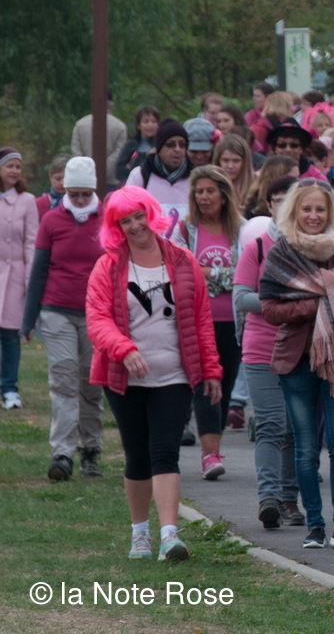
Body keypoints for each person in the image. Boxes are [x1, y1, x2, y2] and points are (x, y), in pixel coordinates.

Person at [85, 186, 223, 561]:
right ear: (115, 227)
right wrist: (124, 349)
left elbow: (201, 320)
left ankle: (169, 536)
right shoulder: (108, 266)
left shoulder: (182, 260)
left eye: (139, 216)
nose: (135, 226)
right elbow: (97, 320)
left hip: (174, 376)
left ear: (152, 214)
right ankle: (140, 535)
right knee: (137, 455)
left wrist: (210, 369)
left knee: (165, 451)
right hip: (124, 377)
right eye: (125, 221)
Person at [260, 179, 334, 551]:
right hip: (297, 361)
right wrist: (317, 303)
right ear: (294, 211)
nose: (313, 216)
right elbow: (270, 309)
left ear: (331, 213)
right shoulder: (282, 252)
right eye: (307, 209)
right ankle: (314, 525)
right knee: (306, 448)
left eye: (320, 210)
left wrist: (332, 296)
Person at [21, 156, 103, 477]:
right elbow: (39, 271)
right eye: (73, 194)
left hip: (95, 311)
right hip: (56, 310)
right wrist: (28, 320)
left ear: (93, 190)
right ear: (65, 190)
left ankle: (91, 449)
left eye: (85, 194)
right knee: (64, 379)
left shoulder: (106, 219)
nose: (80, 200)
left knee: (90, 383)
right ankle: (62, 454)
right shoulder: (53, 221)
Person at [232, 175, 305, 530]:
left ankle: (290, 499)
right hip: (261, 348)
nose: (285, 207)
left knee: (295, 428)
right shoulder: (257, 248)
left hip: (303, 348)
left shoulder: (314, 247)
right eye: (278, 201)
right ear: (269, 206)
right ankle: (270, 499)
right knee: (271, 425)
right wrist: (283, 303)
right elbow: (241, 298)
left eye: (292, 201)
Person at [171, 166, 242, 480]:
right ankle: (209, 455)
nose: (204, 197)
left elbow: (246, 275)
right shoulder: (185, 231)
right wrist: (223, 277)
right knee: (204, 383)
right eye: (199, 191)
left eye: (210, 191)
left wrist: (209, 273)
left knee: (225, 387)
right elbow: (181, 271)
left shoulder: (241, 231)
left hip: (235, 323)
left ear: (223, 195)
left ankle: (214, 448)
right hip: (199, 321)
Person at [0, 148, 38, 410]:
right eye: (9, 166)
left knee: (10, 336)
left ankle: (10, 389)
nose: (14, 171)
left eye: (18, 167)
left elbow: (31, 243)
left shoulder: (27, 201)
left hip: (14, 276)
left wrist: (29, 282)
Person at [114, 105, 161, 186]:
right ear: (138, 125)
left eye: (153, 122)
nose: (150, 125)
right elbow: (120, 169)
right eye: (146, 122)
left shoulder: (161, 145)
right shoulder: (131, 145)